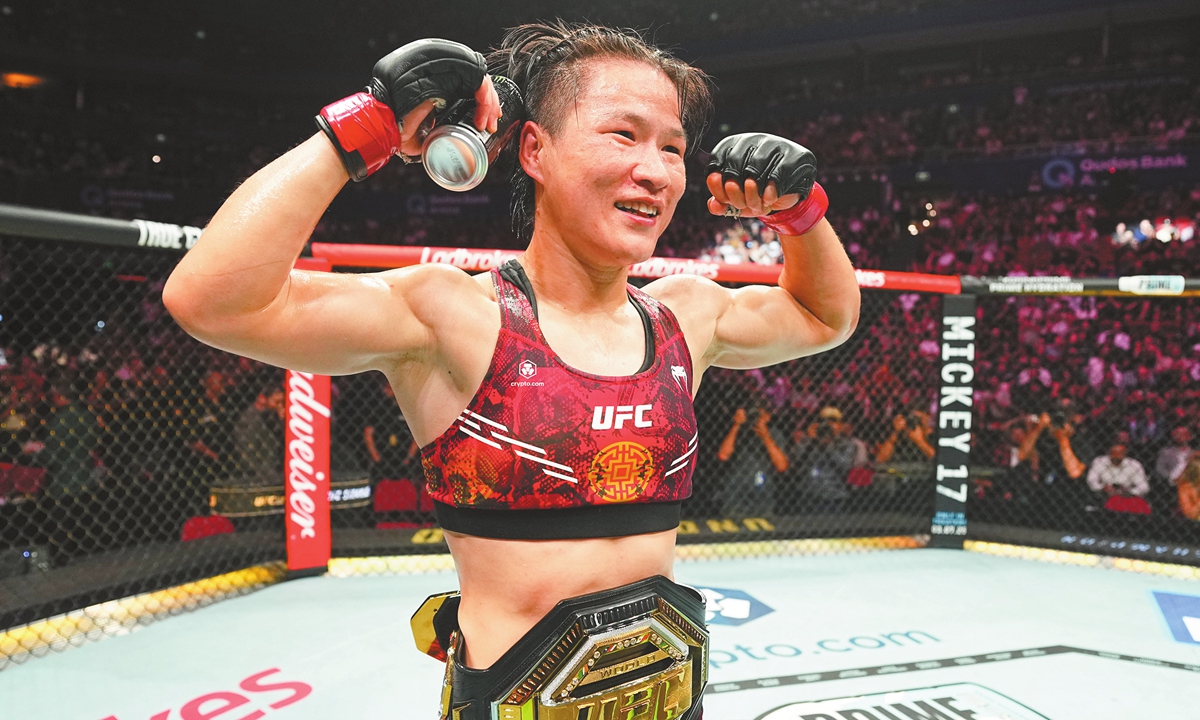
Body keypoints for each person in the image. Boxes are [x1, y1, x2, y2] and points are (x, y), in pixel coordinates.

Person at [163, 22, 859, 719]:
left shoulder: (685, 317)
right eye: (624, 135)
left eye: (672, 147)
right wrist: (362, 129)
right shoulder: (453, 316)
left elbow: (825, 318)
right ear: (535, 149)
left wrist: (802, 215)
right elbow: (212, 302)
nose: (655, 169)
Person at [715, 406, 789, 516]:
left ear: (767, 417)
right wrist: (736, 425)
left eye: (759, 415)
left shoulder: (774, 434)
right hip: (734, 495)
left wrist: (765, 436)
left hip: (764, 496)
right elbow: (723, 455)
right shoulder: (737, 431)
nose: (755, 418)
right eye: (752, 415)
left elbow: (782, 466)